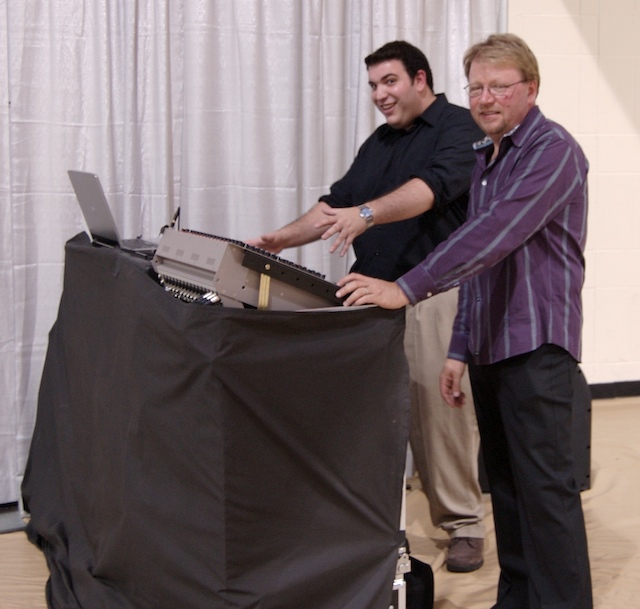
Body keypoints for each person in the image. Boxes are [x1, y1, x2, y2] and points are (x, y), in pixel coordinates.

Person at [336, 33, 593, 609]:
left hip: (538, 348)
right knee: (508, 492)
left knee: (547, 498)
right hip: (490, 347)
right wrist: (459, 348)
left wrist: (404, 287)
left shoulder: (553, 149)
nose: (484, 98)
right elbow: (479, 268)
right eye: (476, 88)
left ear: (530, 88)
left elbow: (493, 236)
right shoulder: (487, 157)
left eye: (499, 87)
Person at [251, 40, 486, 572]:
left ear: (420, 79)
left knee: (438, 414)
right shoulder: (380, 142)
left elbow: (430, 189)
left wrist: (367, 214)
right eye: (374, 85)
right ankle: (372, 516)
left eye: (390, 81)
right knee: (369, 412)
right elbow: (336, 204)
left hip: (433, 292)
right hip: (371, 294)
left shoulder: (458, 127)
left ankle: (464, 524)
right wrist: (281, 240)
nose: (380, 94)